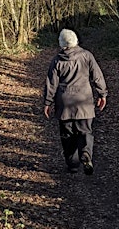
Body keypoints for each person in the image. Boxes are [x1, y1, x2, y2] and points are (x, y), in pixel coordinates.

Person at [43, 29, 108, 175]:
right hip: (84, 102)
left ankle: (72, 164)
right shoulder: (87, 56)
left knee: (67, 135)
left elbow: (51, 84)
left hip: (64, 103)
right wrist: (102, 94)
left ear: (61, 43)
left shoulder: (57, 60)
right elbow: (97, 76)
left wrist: (47, 103)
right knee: (85, 131)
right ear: (76, 40)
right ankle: (86, 153)